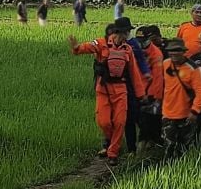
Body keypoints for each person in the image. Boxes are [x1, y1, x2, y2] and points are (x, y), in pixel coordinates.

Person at [68, 24, 146, 166]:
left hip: (120, 89)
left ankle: (113, 153)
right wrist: (76, 48)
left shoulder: (127, 50)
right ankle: (110, 141)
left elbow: (134, 73)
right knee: (104, 121)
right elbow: (87, 47)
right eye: (126, 32)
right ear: (119, 32)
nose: (127, 35)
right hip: (103, 88)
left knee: (120, 121)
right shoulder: (101, 43)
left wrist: (141, 94)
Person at [161, 38, 201, 160]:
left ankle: (182, 170)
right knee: (169, 146)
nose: (173, 53)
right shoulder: (165, 64)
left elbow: (200, 92)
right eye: (171, 51)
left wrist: (195, 111)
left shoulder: (193, 69)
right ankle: (167, 171)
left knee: (184, 148)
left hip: (186, 115)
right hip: (168, 114)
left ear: (183, 52)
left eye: (177, 50)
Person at [118, 17, 152, 155]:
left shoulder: (133, 44)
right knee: (123, 119)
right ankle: (130, 148)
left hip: (132, 85)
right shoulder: (112, 44)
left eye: (126, 31)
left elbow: (142, 62)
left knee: (135, 116)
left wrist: (146, 73)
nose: (124, 33)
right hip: (118, 86)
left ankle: (146, 140)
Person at [135, 26, 165, 149]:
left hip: (151, 93)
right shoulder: (133, 50)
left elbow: (158, 77)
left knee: (152, 120)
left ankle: (152, 144)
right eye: (139, 40)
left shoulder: (156, 53)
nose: (141, 43)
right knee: (139, 120)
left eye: (144, 40)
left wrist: (156, 97)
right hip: (137, 91)